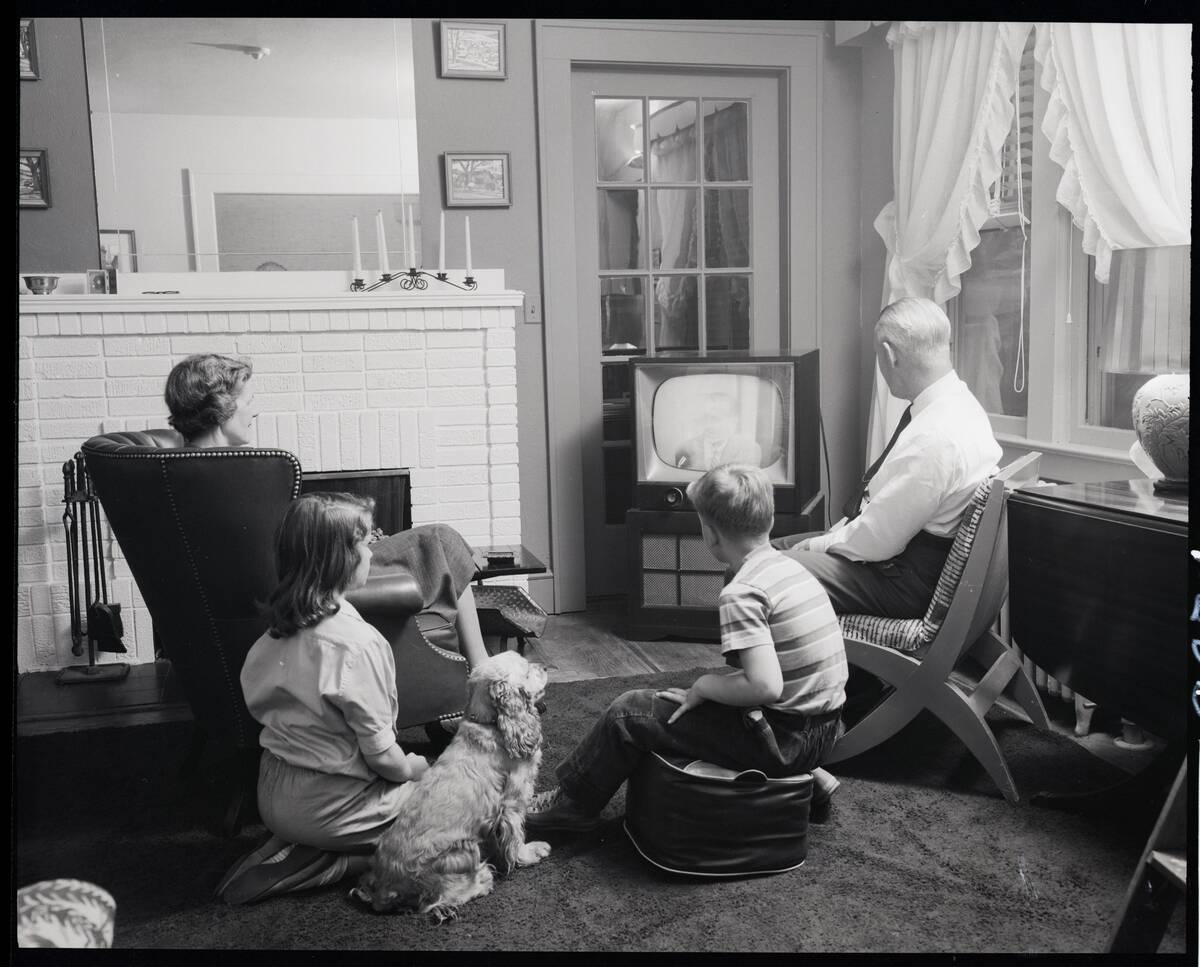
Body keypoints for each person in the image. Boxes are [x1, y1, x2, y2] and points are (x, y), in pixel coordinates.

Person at [525, 463, 847, 834]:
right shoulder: (793, 570)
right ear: (770, 520)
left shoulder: (743, 592)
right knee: (702, 700)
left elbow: (765, 686)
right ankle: (810, 779)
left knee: (629, 713)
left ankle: (573, 805)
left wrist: (705, 686)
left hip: (783, 742)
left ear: (710, 535)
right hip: (827, 730)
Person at [162, 352, 490, 673]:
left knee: (439, 542)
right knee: (440, 539)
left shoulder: (185, 471)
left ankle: (481, 664)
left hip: (310, 569)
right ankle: (483, 668)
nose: (255, 411)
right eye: (248, 401)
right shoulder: (244, 470)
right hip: (319, 579)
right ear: (222, 406)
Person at [217, 492, 429, 903]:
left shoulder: (270, 637)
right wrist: (414, 768)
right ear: (340, 560)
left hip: (273, 796)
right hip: (333, 807)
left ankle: (296, 843)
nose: (371, 553)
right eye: (365, 543)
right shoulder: (359, 645)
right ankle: (332, 862)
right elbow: (384, 759)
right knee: (446, 807)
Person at [772, 297, 1002, 620]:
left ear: (889, 354)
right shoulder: (961, 406)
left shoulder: (936, 437)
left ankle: (772, 657)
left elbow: (878, 541)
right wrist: (829, 539)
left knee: (754, 570)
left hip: (899, 581)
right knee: (767, 553)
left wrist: (818, 545)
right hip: (897, 562)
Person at [674, 391, 763, 471]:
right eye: (705, 418)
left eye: (715, 419)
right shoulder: (684, 449)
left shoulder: (749, 449)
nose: (708, 425)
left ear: (733, 420)